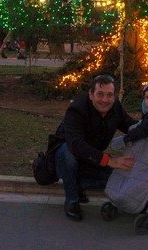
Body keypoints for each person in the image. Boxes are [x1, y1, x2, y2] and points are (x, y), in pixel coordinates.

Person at [53, 74, 136, 221]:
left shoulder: (115, 107)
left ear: (115, 97)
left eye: (109, 95)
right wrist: (108, 160)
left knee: (116, 175)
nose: (105, 100)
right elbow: (76, 145)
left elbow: (130, 125)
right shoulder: (76, 109)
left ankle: (77, 182)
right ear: (91, 95)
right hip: (66, 155)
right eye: (100, 94)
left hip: (91, 158)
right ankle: (72, 200)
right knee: (68, 156)